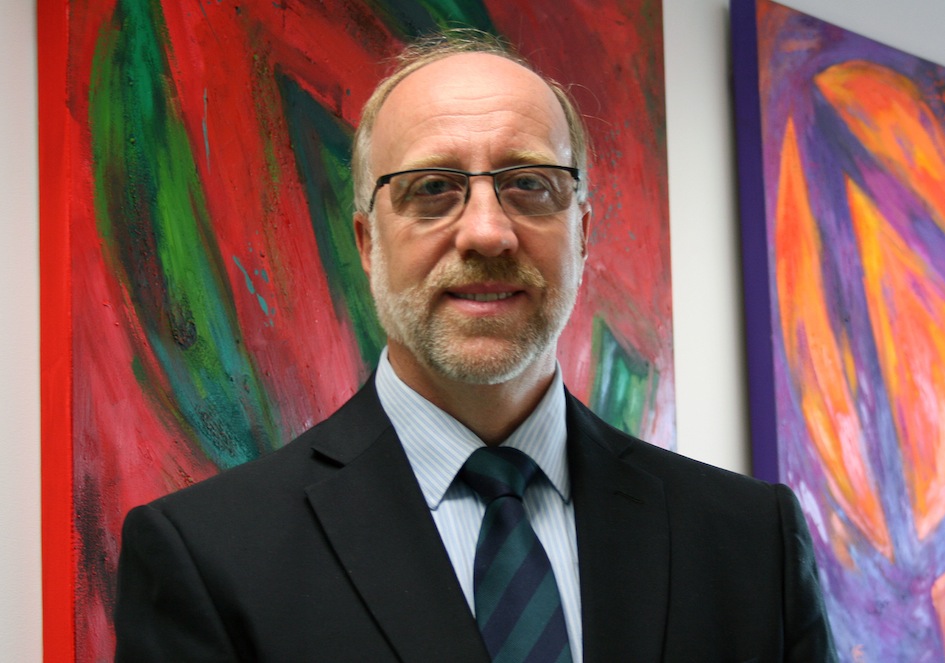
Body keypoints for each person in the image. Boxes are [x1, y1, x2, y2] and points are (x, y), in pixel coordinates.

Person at [114, 31, 837, 662]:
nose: (488, 233)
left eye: (529, 184)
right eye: (432, 187)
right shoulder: (208, 556)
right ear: (367, 242)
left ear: (583, 233)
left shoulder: (751, 541)